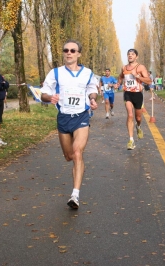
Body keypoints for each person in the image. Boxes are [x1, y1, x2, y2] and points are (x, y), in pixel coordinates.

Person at [41, 39, 98, 209]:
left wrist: (93, 99)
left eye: (73, 51)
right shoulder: (56, 73)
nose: (69, 53)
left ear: (79, 54)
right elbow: (44, 92)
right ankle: (77, 167)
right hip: (63, 118)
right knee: (69, 156)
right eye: (66, 50)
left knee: (77, 152)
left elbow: (92, 89)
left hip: (81, 117)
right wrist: (49, 98)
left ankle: (75, 195)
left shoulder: (87, 73)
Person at [117, 48, 152, 150]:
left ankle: (138, 126)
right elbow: (120, 76)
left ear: (136, 56)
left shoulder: (140, 67)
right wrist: (118, 83)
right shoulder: (124, 67)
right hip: (127, 93)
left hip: (137, 94)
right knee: (130, 115)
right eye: (128, 54)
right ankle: (131, 140)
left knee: (138, 118)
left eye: (132, 54)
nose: (130, 56)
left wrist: (137, 76)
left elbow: (149, 81)